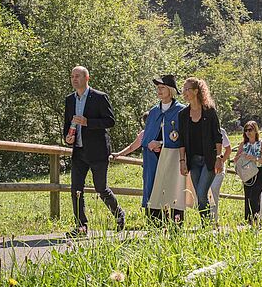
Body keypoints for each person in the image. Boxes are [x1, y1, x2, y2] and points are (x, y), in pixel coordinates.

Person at [64, 66, 125, 237]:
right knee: (76, 189)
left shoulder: (99, 97)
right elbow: (66, 124)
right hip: (79, 151)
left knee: (101, 189)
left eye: (78, 76)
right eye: (72, 76)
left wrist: (87, 122)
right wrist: (67, 139)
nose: (74, 79)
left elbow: (110, 121)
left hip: (98, 151)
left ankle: (119, 214)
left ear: (87, 78)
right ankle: (81, 227)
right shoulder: (69, 100)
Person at [120, 75, 186, 223]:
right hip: (152, 158)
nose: (159, 91)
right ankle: (155, 224)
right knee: (153, 188)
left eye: (162, 88)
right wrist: (150, 144)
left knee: (173, 189)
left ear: (171, 90)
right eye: (158, 88)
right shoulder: (153, 112)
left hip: (172, 157)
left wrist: (161, 143)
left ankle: (175, 225)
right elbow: (148, 135)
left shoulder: (181, 111)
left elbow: (183, 137)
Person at [179, 77, 223, 223]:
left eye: (187, 89)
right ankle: (207, 223)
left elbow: (218, 136)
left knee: (201, 193)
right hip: (193, 160)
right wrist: (182, 161)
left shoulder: (209, 112)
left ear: (196, 91)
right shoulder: (183, 114)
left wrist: (219, 158)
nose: (184, 92)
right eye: (183, 89)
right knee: (200, 196)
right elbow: (182, 140)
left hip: (209, 160)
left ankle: (207, 224)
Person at [233, 121, 262, 224]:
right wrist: (240, 157)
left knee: (254, 196)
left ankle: (256, 220)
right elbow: (235, 160)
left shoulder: (261, 143)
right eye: (246, 130)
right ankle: (250, 221)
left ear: (255, 130)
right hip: (247, 173)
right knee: (248, 197)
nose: (248, 132)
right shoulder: (243, 144)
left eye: (250, 130)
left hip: (260, 172)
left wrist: (255, 158)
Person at [209, 127, 233, 223]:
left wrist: (221, 161)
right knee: (204, 193)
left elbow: (228, 149)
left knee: (213, 191)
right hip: (205, 166)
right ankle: (206, 219)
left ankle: (213, 220)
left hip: (218, 169)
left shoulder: (220, 131)